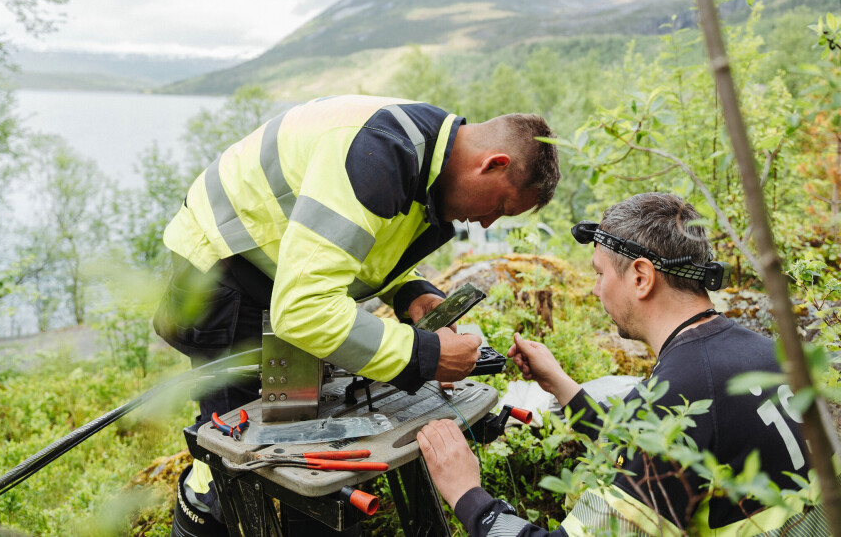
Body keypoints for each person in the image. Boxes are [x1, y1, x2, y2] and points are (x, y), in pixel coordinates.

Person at [153, 94, 561, 536]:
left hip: (278, 278)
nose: (486, 225)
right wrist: (424, 354)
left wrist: (411, 292)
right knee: (244, 451)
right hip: (225, 275)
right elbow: (303, 310)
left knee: (302, 433)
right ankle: (199, 507)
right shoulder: (379, 156)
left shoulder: (425, 162)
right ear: (493, 164)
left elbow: (356, 243)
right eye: (500, 207)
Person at [418, 192, 822, 536]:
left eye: (599, 273)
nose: (595, 289)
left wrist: (468, 494)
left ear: (642, 277)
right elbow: (663, 453)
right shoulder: (770, 354)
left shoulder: (679, 394)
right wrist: (562, 386)